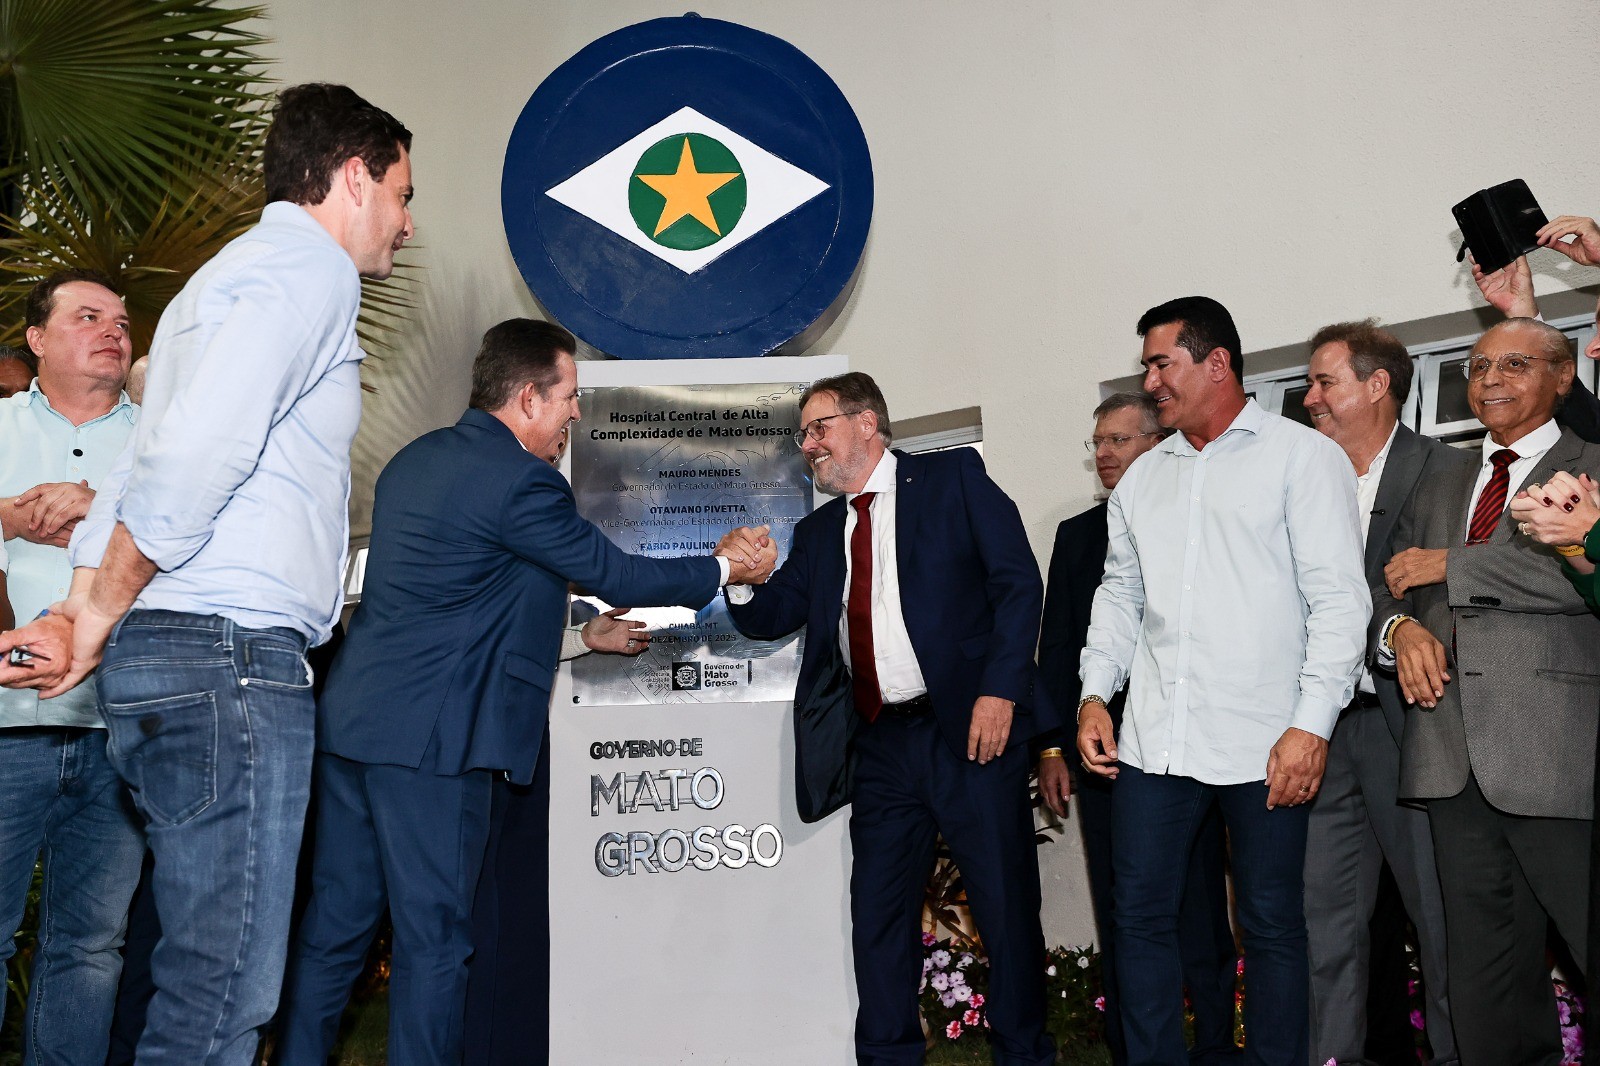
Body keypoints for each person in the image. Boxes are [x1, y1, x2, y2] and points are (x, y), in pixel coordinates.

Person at [0, 82, 416, 1065]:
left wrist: (82, 607)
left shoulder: (212, 285)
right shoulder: (309, 271)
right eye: (402, 195)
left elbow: (141, 461)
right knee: (222, 994)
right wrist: (99, 603)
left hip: (173, 660)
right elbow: (191, 460)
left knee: (197, 982)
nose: (406, 223)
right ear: (353, 178)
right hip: (227, 661)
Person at [274, 318, 773, 1066]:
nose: (577, 413)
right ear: (530, 398)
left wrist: (581, 633)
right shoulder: (523, 481)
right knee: (435, 944)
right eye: (569, 397)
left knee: (333, 934)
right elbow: (621, 575)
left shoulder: (415, 460)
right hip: (435, 747)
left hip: (354, 729)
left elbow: (469, 594)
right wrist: (727, 569)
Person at [724, 371, 1059, 1066]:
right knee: (877, 917)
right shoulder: (819, 532)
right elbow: (770, 618)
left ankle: (1024, 1055)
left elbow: (1018, 583)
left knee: (1005, 909)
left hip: (969, 732)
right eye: (803, 434)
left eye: (818, 428)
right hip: (880, 744)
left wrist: (1000, 692)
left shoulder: (952, 480)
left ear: (867, 424)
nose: (808, 445)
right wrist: (745, 582)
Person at [1078, 296, 1370, 1066]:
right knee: (1139, 920)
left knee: (1271, 926)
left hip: (1268, 742)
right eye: (1147, 365)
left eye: (1161, 363)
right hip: (1155, 745)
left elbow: (1340, 603)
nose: (1150, 381)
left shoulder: (1303, 458)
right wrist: (1094, 693)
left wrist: (1311, 726)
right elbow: (1120, 596)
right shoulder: (1143, 480)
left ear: (1216, 364)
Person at [1373, 317, 1600, 1066]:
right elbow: (1387, 581)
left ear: (1563, 378)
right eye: (1477, 367)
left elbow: (1577, 578)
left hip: (1559, 752)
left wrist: (1454, 564)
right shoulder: (1438, 473)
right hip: (1450, 755)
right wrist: (1400, 631)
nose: (1490, 379)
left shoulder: (1592, 463)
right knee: (1483, 979)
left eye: (1514, 364)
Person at [1036, 392, 1238, 1066]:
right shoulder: (1077, 535)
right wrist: (1053, 745)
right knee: (1122, 909)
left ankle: (1216, 1046)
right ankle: (1134, 1052)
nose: (1103, 454)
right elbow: (1059, 646)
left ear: (1159, 443)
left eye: (1118, 440)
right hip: (1103, 756)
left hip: (1193, 751)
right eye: (1097, 442)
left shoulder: (1200, 517)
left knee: (1201, 906)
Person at [1299, 320, 1463, 1066]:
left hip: (1419, 727)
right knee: (1323, 928)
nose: (1309, 399)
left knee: (1441, 922)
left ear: (1376, 385)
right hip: (1323, 730)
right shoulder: (1302, 477)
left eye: (1324, 382)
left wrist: (1397, 621)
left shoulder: (1450, 470)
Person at [0, 270, 141, 1066]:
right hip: (4, 727)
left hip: (118, 730)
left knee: (90, 948)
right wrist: (7, 515)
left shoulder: (162, 443)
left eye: (121, 320)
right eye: (88, 316)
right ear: (37, 338)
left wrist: (102, 507)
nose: (113, 330)